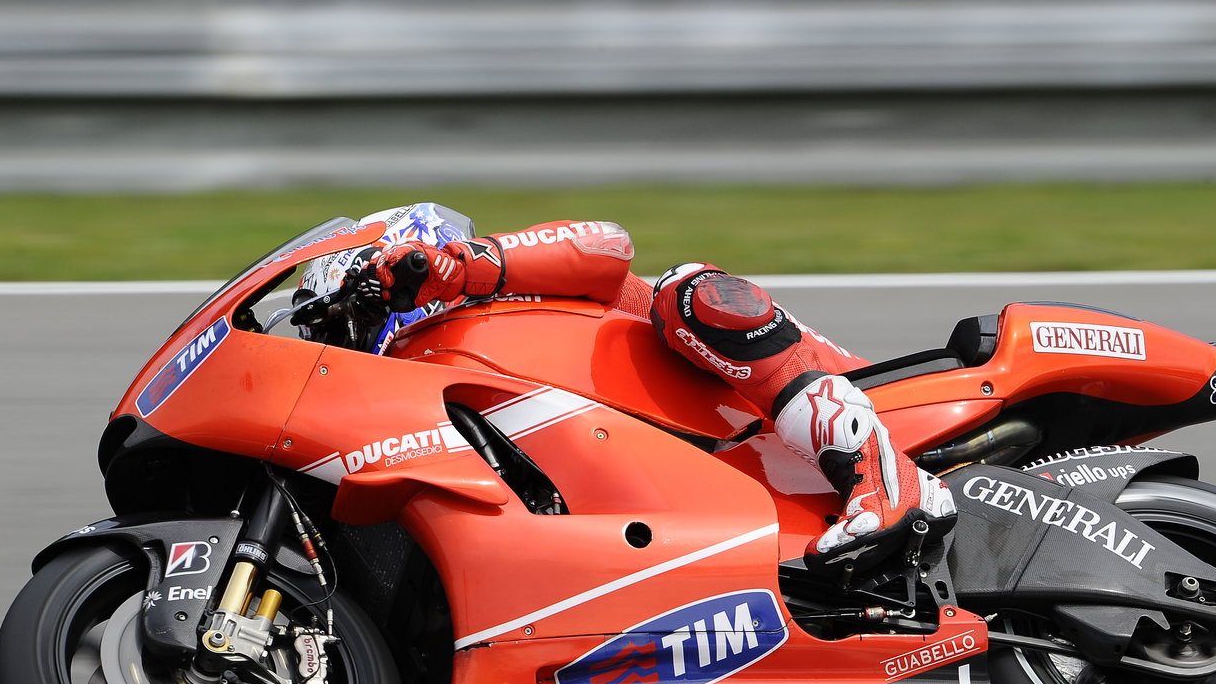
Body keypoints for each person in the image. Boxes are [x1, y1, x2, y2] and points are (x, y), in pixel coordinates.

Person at [294, 202, 956, 564]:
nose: (356, 340)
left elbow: (608, 242)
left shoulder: (507, 291)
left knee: (689, 291)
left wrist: (458, 268)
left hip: (849, 406)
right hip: (724, 491)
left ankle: (884, 479)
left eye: (359, 314)